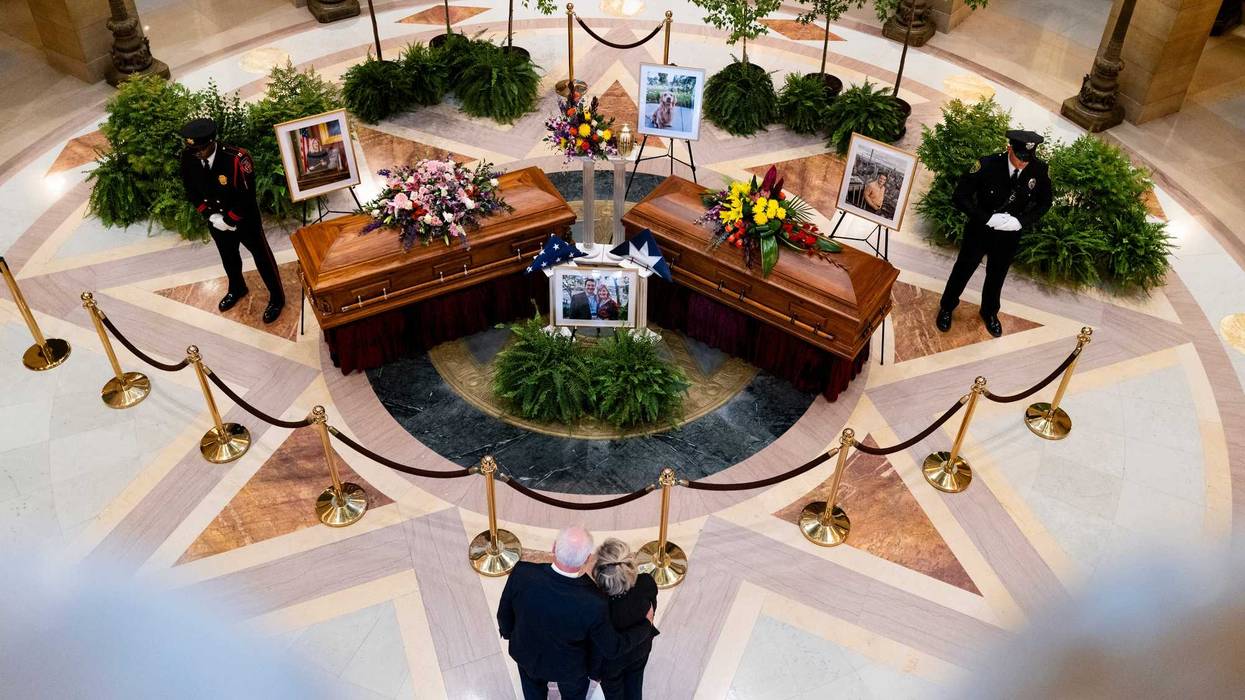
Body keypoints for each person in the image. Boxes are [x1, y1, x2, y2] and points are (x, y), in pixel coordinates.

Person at [497, 526, 658, 700]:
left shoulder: (522, 573)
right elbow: (611, 647)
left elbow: (504, 613)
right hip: (570, 669)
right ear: (587, 559)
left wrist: (508, 633)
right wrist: (645, 625)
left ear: (553, 547)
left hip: (527, 656)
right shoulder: (595, 601)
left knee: (532, 693)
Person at [936, 129, 1052, 338]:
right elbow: (960, 196)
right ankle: (947, 307)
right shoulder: (988, 165)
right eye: (1019, 158)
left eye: (1028, 159)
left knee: (997, 275)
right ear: (1010, 149)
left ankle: (989, 312)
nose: (1023, 164)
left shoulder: (1039, 169)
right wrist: (985, 217)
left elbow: (1045, 203)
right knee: (963, 269)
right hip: (980, 230)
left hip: (1009, 235)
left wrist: (1020, 221)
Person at [179, 117, 285, 324]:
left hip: (244, 220)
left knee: (262, 258)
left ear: (212, 142)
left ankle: (277, 298)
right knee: (229, 257)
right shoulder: (188, 157)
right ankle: (237, 288)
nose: (198, 154)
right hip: (216, 220)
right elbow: (190, 189)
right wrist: (209, 215)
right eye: (194, 150)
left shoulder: (237, 158)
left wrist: (229, 219)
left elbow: (246, 195)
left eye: (202, 149)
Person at [591, 539, 658, 700]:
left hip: (610, 664)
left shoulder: (595, 604)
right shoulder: (646, 583)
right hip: (640, 650)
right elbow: (651, 608)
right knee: (635, 685)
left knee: (614, 694)